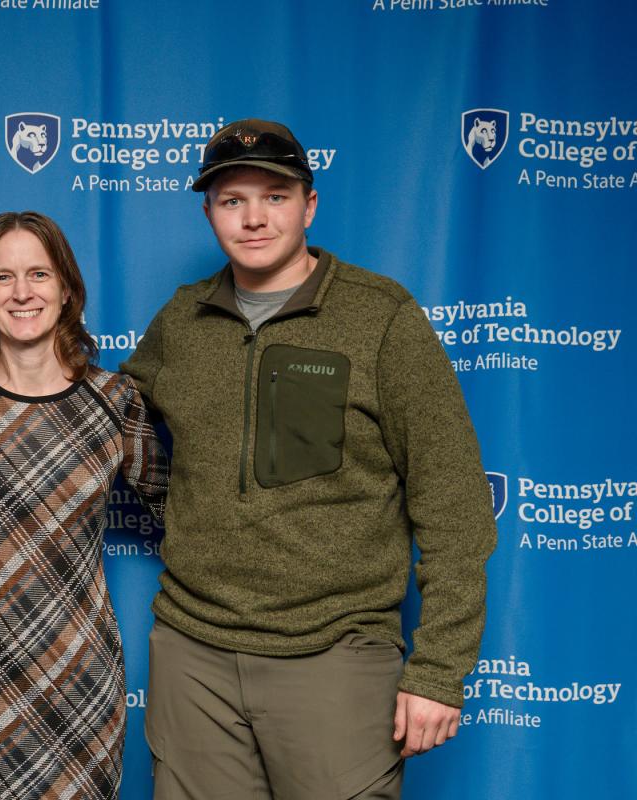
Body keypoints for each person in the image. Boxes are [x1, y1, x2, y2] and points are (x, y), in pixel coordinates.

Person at [121, 119, 497, 799]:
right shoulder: (182, 319)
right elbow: (108, 417)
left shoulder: (381, 318)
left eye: (276, 195)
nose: (255, 218)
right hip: (193, 655)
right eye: (233, 200)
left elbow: (454, 504)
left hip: (336, 657)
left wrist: (440, 670)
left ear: (310, 205)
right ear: (209, 213)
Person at [0, 211, 169, 800]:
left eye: (39, 274)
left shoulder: (115, 400)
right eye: (3, 278)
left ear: (67, 289)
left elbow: (184, 516)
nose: (22, 292)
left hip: (76, 672)